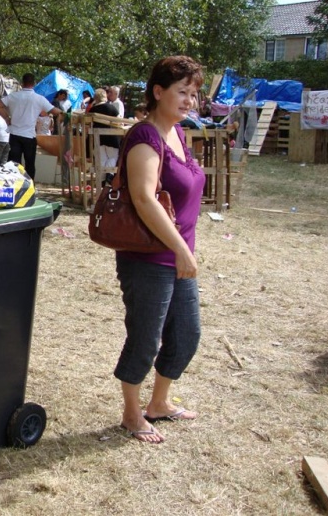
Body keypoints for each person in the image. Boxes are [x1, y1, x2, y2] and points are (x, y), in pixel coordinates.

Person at [114, 55, 206, 444]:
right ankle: (132, 414)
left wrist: (184, 250)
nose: (190, 101)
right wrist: (181, 249)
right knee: (146, 337)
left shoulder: (177, 134)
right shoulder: (145, 137)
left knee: (186, 333)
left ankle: (159, 403)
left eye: (193, 93)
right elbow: (143, 197)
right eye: (181, 92)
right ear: (157, 92)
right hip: (149, 258)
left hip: (177, 254)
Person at [0, 73, 62, 180]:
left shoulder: (13, 96)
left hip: (14, 134)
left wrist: (7, 118)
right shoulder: (39, 98)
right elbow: (54, 111)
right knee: (30, 164)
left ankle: (14, 185)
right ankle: (30, 187)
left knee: (13, 164)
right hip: (29, 136)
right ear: (34, 83)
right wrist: (63, 113)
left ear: (22, 83)